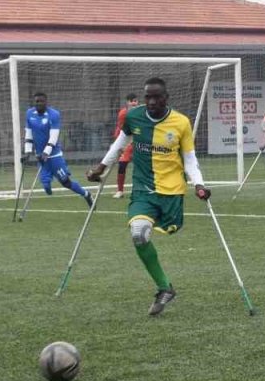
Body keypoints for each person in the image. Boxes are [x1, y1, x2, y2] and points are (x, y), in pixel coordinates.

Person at [87, 76, 209, 316]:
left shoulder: (181, 123)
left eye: (156, 97)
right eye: (148, 97)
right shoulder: (133, 117)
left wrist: (199, 184)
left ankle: (165, 288)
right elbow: (119, 144)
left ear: (166, 98)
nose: (151, 101)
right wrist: (101, 168)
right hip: (143, 189)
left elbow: (190, 159)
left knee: (159, 231)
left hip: (171, 191)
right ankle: (165, 288)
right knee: (139, 234)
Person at [23, 92, 93, 208]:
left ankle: (86, 194)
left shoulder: (54, 114)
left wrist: (47, 152)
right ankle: (48, 186)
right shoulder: (29, 113)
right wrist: (27, 152)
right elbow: (28, 134)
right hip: (40, 157)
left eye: (41, 101)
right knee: (45, 184)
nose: (39, 103)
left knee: (66, 182)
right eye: (37, 101)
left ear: (46, 102)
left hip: (54, 156)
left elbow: (54, 136)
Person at [112, 93, 140, 198]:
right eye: (132, 101)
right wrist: (118, 143)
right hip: (127, 142)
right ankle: (120, 191)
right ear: (127, 102)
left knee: (142, 166)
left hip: (139, 142)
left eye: (136, 101)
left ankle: (142, 189)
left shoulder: (142, 112)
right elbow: (121, 130)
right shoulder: (123, 113)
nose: (134, 103)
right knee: (122, 164)